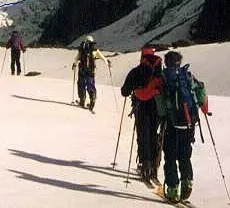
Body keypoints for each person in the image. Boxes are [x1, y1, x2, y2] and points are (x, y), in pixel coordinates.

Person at [156, 50, 209, 203]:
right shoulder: (188, 75)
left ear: (167, 62)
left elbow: (161, 105)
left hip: (172, 125)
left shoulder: (164, 77)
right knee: (185, 156)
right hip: (189, 123)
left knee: (171, 157)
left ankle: (172, 189)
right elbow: (200, 92)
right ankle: (187, 182)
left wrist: (162, 117)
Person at [120, 47, 164, 183]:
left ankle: (145, 164)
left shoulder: (136, 71)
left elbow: (124, 91)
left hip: (141, 107)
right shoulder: (160, 73)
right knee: (153, 134)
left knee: (142, 134)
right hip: (157, 108)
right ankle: (154, 165)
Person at [72, 35, 110, 111]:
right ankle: (92, 98)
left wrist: (74, 64)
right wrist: (107, 63)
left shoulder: (82, 49)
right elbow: (102, 57)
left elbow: (77, 58)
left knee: (81, 84)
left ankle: (82, 100)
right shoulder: (95, 50)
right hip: (91, 71)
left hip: (82, 70)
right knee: (90, 84)